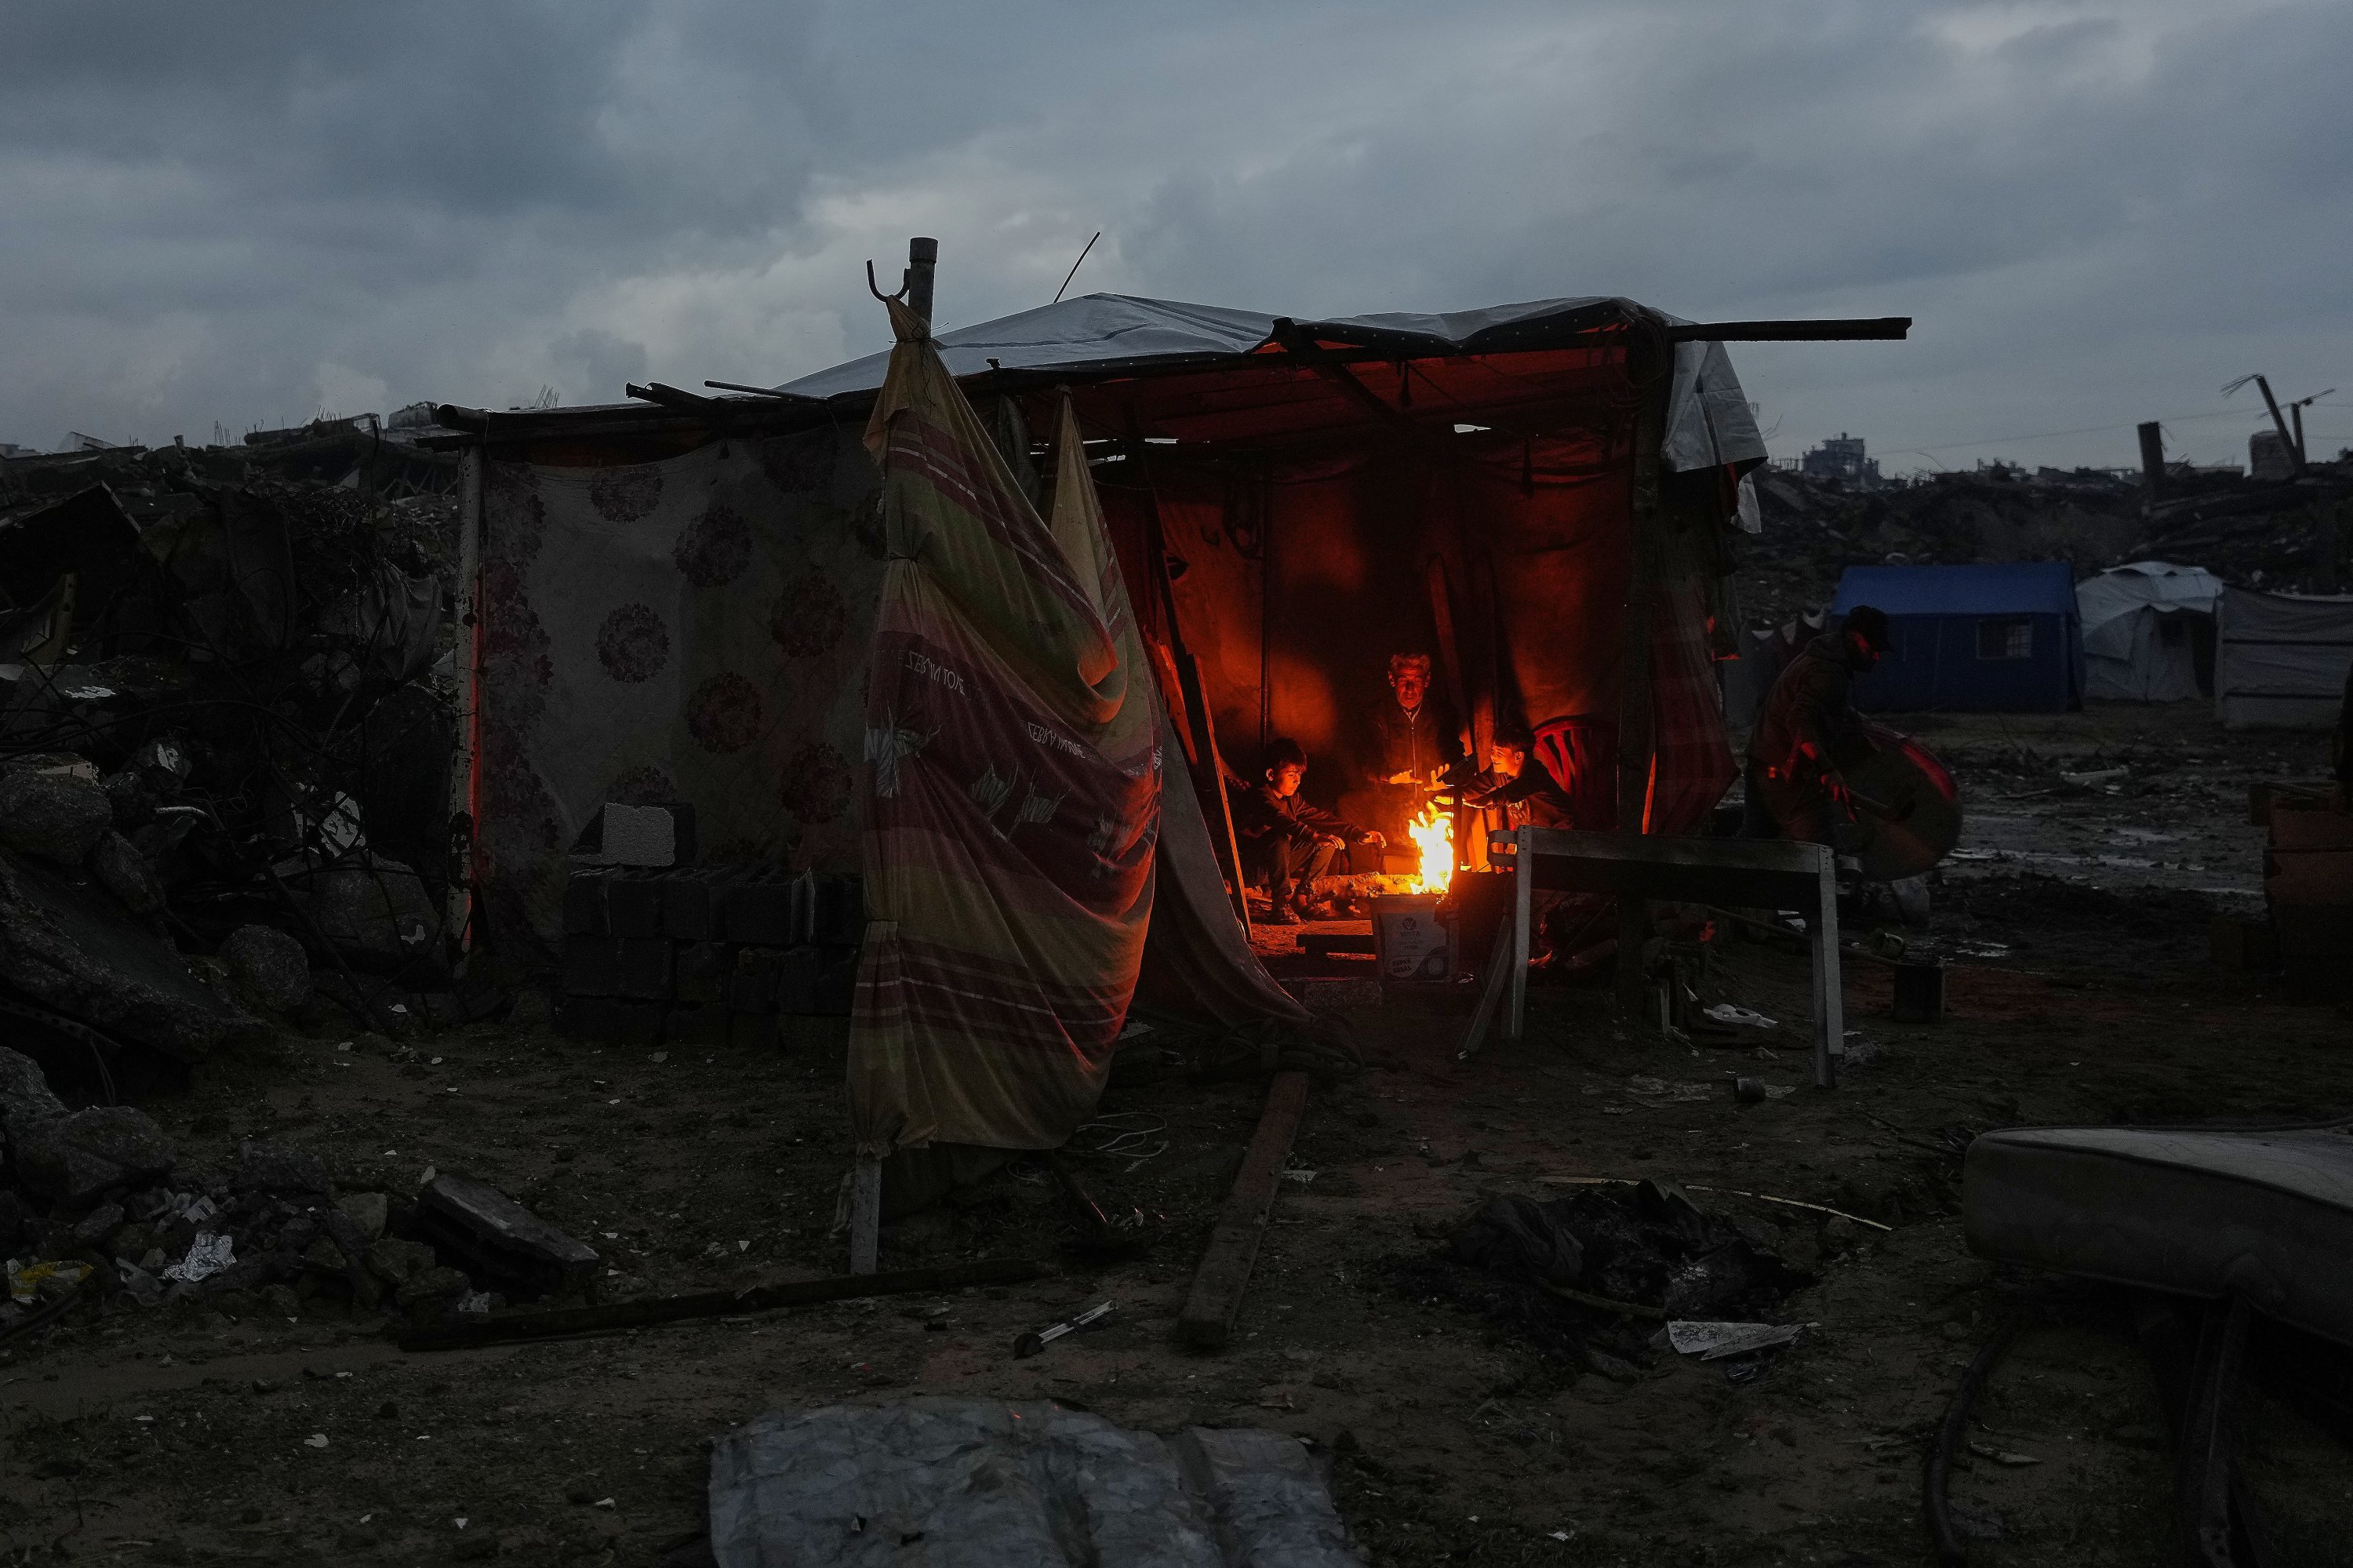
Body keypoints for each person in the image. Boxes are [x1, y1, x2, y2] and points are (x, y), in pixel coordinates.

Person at [1743, 606, 1890, 847]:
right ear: (1852, 637)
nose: (1876, 656)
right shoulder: (1829, 670)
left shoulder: (1821, 656)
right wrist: (1827, 769)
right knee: (1823, 849)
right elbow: (1798, 719)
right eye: (1871, 648)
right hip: (1784, 774)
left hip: (1763, 762)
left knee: (1756, 843)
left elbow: (1819, 703)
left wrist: (1855, 720)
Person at [1232, 739, 1385, 924]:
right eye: (1291, 775)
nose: (1297, 781)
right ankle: (1280, 904)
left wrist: (1358, 834)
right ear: (1271, 774)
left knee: (1328, 842)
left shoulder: (1292, 800)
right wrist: (1313, 835)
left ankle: (1303, 897)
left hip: (1277, 867)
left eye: (1299, 775)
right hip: (1250, 870)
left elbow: (1321, 818)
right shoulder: (1259, 796)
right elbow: (1279, 819)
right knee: (1279, 836)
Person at [1343, 652, 1466, 847]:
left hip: (1433, 799)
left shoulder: (1442, 712)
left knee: (1467, 806)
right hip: (1391, 802)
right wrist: (1388, 776)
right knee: (1348, 805)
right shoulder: (1376, 715)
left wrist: (1449, 778)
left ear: (1427, 681)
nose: (1410, 689)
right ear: (1392, 680)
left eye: (1416, 680)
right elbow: (1365, 763)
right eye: (1403, 681)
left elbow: (1456, 754)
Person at [1449, 726, 1571, 831]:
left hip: (1562, 835)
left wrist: (1490, 799)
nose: (1493, 756)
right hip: (1533, 837)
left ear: (1518, 757)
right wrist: (1452, 795)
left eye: (1499, 753)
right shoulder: (1499, 773)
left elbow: (1515, 790)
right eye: (1493, 751)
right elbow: (1477, 786)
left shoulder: (1535, 773)